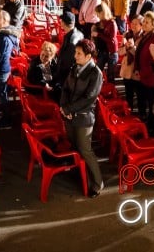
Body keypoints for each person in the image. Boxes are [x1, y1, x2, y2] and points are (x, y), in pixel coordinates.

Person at [59, 38, 104, 197]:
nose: (75, 56)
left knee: (85, 150)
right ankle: (81, 174)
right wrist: (64, 108)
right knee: (74, 146)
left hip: (84, 117)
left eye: (79, 53)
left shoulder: (95, 73)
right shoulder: (75, 68)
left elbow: (89, 98)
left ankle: (97, 183)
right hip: (69, 115)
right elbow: (65, 88)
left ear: (88, 56)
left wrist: (70, 108)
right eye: (75, 53)